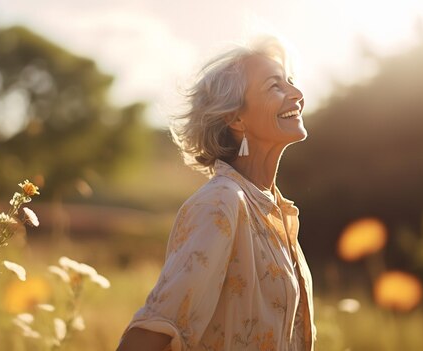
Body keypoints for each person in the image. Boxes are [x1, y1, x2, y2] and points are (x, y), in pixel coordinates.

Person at [117, 35, 316, 351]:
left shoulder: (278, 211)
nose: (298, 94)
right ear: (235, 117)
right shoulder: (221, 202)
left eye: (290, 82)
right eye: (275, 86)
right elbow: (153, 331)